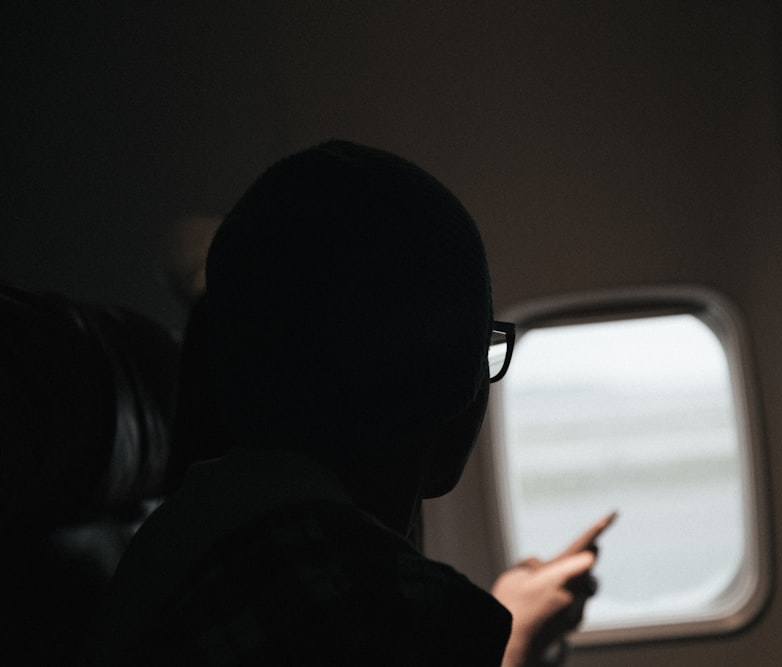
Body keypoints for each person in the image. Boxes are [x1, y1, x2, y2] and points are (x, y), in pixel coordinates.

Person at [99, 140, 609, 666]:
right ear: (448, 385)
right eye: (482, 347)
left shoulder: (190, 536)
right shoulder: (378, 602)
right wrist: (516, 639)